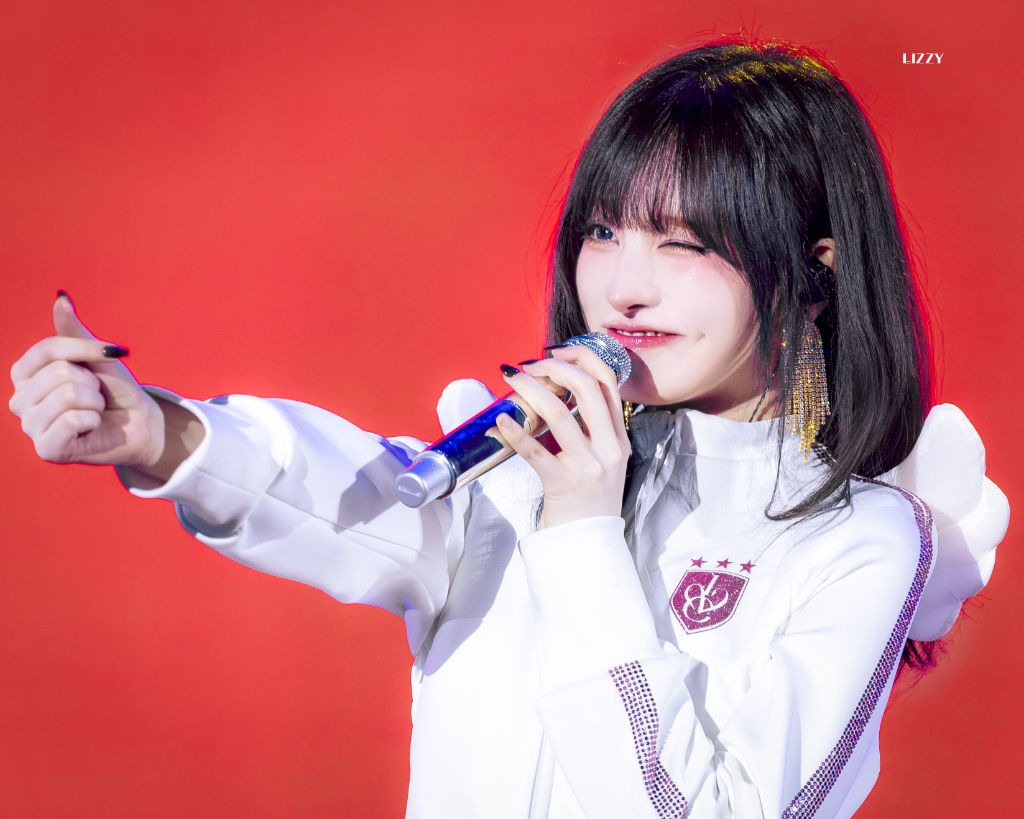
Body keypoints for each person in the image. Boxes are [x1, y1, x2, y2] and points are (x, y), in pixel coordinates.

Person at [7, 36, 1010, 819]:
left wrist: (581, 533)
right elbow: (352, 494)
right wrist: (159, 434)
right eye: (604, 231)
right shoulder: (514, 473)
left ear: (814, 272)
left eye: (683, 242)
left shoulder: (860, 541)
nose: (622, 285)